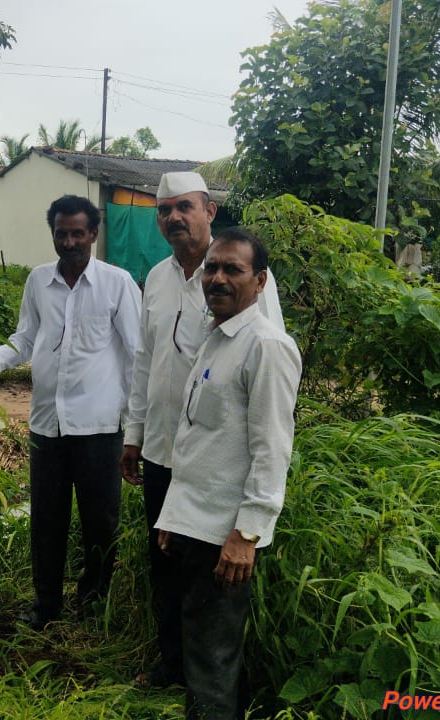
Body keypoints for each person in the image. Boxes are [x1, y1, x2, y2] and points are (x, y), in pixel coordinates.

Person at [120, 171, 285, 688]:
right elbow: (145, 360)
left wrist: (254, 514)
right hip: (162, 451)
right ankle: (172, 664)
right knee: (165, 565)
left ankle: (212, 680)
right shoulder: (156, 278)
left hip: (216, 464)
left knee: (213, 576)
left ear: (209, 211)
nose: (174, 217)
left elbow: (268, 373)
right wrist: (134, 433)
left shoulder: (240, 277)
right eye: (164, 209)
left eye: (184, 207)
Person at [155, 228, 301, 720]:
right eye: (212, 268)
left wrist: (248, 533)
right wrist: (174, 517)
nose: (217, 278)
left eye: (233, 270)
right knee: (199, 645)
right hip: (195, 523)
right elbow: (199, 438)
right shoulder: (217, 338)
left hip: (226, 535)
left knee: (213, 658)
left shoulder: (267, 346)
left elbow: (272, 449)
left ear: (260, 282)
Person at [0, 194, 141, 628]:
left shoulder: (117, 283)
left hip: (98, 425)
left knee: (100, 521)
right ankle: (45, 604)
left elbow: (136, 354)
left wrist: (135, 428)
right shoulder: (39, 281)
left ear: (93, 234)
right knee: (46, 519)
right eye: (61, 234)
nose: (69, 242)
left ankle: (93, 605)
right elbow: (25, 337)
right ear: (52, 234)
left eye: (77, 234)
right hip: (47, 425)